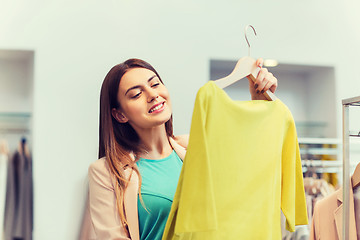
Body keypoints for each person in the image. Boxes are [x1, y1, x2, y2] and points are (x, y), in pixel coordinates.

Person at [88, 58, 278, 240]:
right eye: (136, 94)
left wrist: (260, 102)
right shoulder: (105, 171)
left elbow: (252, 168)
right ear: (120, 114)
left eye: (155, 85)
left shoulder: (198, 146)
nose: (153, 95)